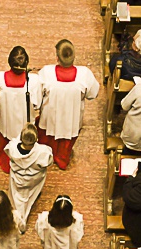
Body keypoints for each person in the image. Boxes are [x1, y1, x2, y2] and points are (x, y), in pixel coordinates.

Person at [36, 39, 100, 169]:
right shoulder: (85, 74)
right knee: (65, 144)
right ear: (74, 57)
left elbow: (37, 96)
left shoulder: (46, 73)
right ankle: (62, 159)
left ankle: (45, 157)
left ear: (57, 58)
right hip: (71, 118)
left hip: (50, 118)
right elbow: (93, 94)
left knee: (46, 139)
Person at [0, 46, 43, 173]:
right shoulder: (34, 80)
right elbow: (37, 104)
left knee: (3, 133)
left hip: (6, 120)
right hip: (25, 122)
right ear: (26, 63)